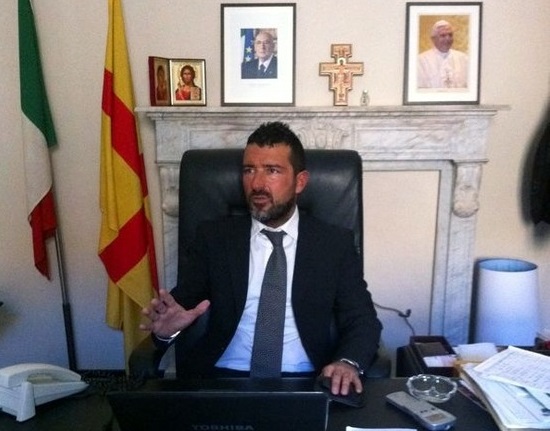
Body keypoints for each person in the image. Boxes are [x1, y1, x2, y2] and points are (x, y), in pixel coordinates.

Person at [141, 122, 382, 397]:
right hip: (223, 380)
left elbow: (362, 320)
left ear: (300, 182)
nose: (257, 184)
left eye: (272, 170)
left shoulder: (333, 244)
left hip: (307, 382)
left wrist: (347, 362)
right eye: (249, 170)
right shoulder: (215, 238)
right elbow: (179, 309)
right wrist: (165, 332)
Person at [417, 20, 468, 89]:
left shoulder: (464, 58)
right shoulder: (421, 61)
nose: (448, 39)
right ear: (433, 39)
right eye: (443, 35)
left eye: (450, 35)